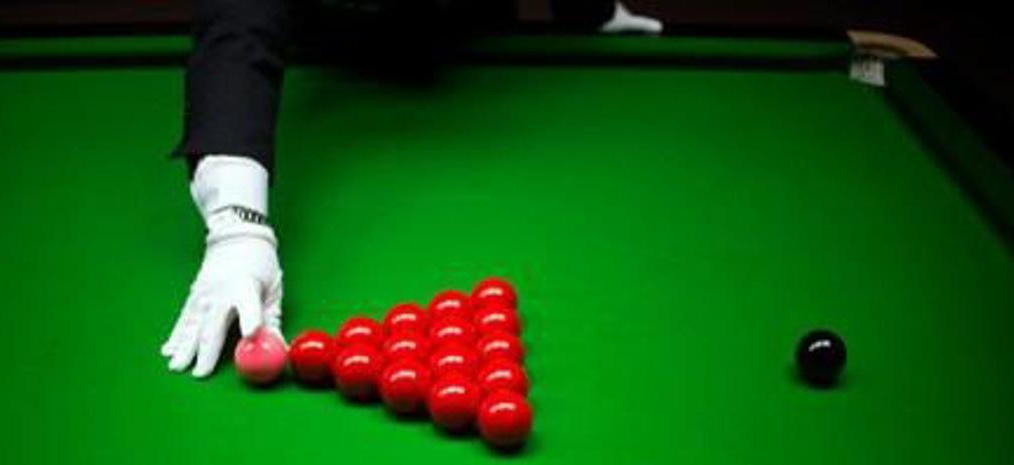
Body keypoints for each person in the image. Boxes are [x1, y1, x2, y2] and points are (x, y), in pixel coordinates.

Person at [162, 0, 662, 378]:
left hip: (467, 27)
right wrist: (238, 222)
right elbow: (240, 22)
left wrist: (589, 11)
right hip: (338, 28)